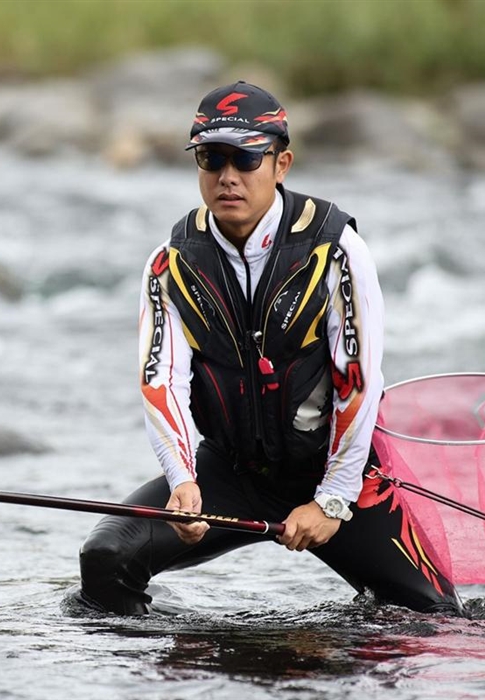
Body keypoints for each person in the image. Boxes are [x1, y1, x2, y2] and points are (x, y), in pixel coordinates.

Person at [79, 81, 463, 616]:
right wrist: (183, 481)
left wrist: (333, 499)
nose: (227, 175)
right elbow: (160, 381)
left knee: (435, 618)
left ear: (281, 164)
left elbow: (358, 383)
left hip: (335, 474)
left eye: (246, 158)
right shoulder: (170, 262)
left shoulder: (337, 250)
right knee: (104, 560)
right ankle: (173, 656)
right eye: (211, 158)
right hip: (227, 474)